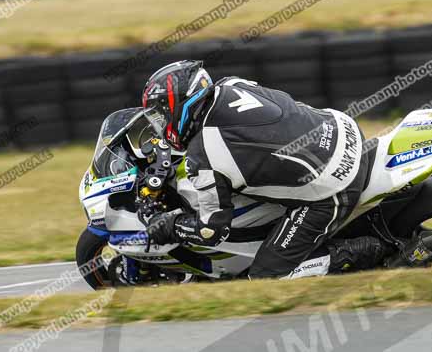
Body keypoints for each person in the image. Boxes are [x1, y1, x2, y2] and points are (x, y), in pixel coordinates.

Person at [140, 60, 391, 278]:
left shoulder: (203, 157)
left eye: (161, 117)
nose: (159, 126)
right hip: (343, 130)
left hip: (334, 185)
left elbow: (211, 230)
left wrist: (172, 226)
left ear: (180, 107)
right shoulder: (231, 84)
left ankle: (360, 252)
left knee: (265, 278)